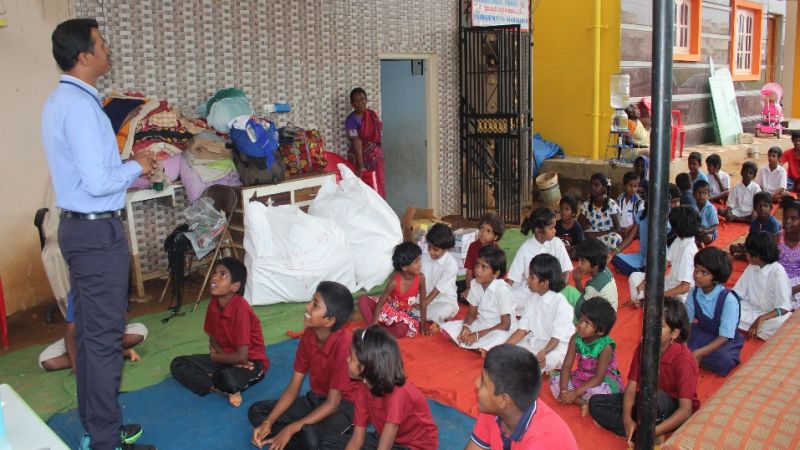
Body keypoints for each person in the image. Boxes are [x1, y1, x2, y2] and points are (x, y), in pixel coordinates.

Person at [41, 17, 157, 450]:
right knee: (106, 339)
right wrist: (137, 166)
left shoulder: (61, 101)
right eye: (102, 43)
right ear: (84, 55)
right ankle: (106, 440)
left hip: (80, 231)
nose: (108, 49)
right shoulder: (80, 107)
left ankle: (98, 425)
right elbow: (97, 180)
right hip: (94, 236)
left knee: (91, 337)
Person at [249, 281, 356, 450]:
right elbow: (293, 387)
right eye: (311, 301)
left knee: (311, 437)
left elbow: (333, 403)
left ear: (329, 321)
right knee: (258, 412)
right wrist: (269, 422)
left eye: (315, 305)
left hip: (344, 407)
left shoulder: (344, 345)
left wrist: (291, 428)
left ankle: (291, 438)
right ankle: (288, 439)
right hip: (317, 399)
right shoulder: (309, 336)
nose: (307, 307)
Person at [588, 297, 700, 446]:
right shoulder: (644, 347)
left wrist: (651, 432)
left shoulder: (684, 359)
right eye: (648, 321)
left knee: (656, 397)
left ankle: (650, 434)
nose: (650, 328)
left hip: (672, 408)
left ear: (674, 333)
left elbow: (686, 410)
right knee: (596, 403)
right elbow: (631, 388)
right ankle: (637, 432)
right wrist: (628, 420)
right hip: (646, 401)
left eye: (659, 325)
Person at [319, 326, 438, 450]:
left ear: (366, 366)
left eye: (352, 358)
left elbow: (384, 447)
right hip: (385, 439)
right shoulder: (364, 386)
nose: (347, 360)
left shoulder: (398, 394)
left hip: (413, 447)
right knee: (330, 443)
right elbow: (357, 439)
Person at [170, 258, 268, 407]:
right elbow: (212, 337)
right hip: (226, 358)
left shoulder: (240, 308)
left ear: (235, 286)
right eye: (215, 273)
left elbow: (242, 357)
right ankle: (218, 386)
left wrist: (218, 359)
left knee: (230, 379)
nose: (215, 277)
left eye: (223, 274)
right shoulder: (213, 304)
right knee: (178, 363)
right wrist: (222, 358)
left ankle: (219, 381)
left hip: (250, 362)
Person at [466, 345, 578, 450]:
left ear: (503, 400)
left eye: (483, 382)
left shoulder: (542, 441)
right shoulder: (493, 410)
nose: (476, 383)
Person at [550, 298, 622, 416]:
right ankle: (584, 403)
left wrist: (575, 392)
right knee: (555, 382)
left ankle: (582, 400)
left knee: (602, 393)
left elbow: (599, 377)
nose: (580, 325)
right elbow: (567, 366)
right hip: (582, 376)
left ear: (600, 331)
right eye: (581, 319)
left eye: (587, 323)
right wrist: (564, 391)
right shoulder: (576, 338)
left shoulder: (605, 347)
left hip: (601, 380)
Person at [503, 254, 575, 373]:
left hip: (557, 346)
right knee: (510, 351)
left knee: (543, 361)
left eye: (532, 277)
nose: (528, 280)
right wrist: (502, 348)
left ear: (544, 283)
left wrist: (543, 352)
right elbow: (522, 330)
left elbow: (555, 339)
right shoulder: (532, 298)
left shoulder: (560, 304)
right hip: (537, 341)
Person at [441, 246, 515, 351]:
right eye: (477, 265)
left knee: (500, 337)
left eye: (484, 267)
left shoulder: (502, 289)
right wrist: (465, 327)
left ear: (496, 273)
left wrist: (477, 335)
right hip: (482, 324)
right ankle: (478, 346)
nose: (478, 270)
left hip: (499, 329)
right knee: (450, 327)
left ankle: (478, 345)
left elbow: (506, 325)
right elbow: (471, 314)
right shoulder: (475, 284)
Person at [686, 247, 743, 376]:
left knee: (724, 359)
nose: (697, 275)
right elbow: (687, 323)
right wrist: (683, 344)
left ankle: (695, 356)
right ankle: (691, 355)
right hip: (700, 334)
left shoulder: (728, 299)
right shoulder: (693, 293)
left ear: (717, 277)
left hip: (722, 340)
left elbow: (724, 336)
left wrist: (700, 353)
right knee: (672, 343)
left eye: (704, 273)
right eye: (696, 269)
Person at [507, 207, 573, 316]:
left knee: (564, 299)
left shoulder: (557, 244)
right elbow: (512, 278)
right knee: (509, 299)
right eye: (551, 228)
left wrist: (558, 291)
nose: (555, 231)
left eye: (555, 227)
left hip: (552, 289)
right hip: (531, 290)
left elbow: (566, 272)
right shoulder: (526, 248)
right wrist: (501, 294)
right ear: (539, 231)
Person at [630, 206, 700, 305]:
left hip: (680, 294)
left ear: (678, 228)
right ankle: (643, 300)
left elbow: (685, 287)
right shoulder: (679, 240)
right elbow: (663, 265)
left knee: (677, 304)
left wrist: (660, 295)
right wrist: (644, 283)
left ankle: (645, 300)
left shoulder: (689, 251)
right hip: (668, 283)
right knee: (635, 276)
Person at [358, 242, 428, 338]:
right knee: (362, 300)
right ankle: (373, 329)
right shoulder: (394, 282)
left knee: (401, 331)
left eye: (420, 259)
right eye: (416, 262)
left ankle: (379, 332)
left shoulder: (421, 278)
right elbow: (381, 302)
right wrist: (373, 324)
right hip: (387, 309)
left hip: (402, 316)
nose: (420, 264)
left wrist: (423, 325)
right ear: (404, 267)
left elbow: (423, 302)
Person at [733, 232, 793, 340]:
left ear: (758, 256)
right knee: (729, 309)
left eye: (748, 252)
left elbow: (784, 308)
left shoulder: (777, 272)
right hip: (751, 309)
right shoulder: (752, 267)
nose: (745, 254)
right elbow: (738, 292)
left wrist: (762, 318)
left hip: (771, 315)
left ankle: (753, 327)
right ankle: (756, 329)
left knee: (783, 323)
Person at [345, 87, 385, 197]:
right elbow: (356, 140)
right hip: (360, 158)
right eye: (356, 100)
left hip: (376, 158)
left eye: (362, 99)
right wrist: (360, 165)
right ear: (352, 104)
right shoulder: (351, 120)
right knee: (364, 189)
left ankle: (381, 212)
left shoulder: (372, 114)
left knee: (378, 184)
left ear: (366, 100)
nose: (360, 102)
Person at [420, 223, 459, 329]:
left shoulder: (451, 264)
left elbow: (438, 289)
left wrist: (422, 305)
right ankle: (429, 318)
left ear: (446, 248)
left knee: (446, 309)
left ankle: (435, 321)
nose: (431, 252)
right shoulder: (424, 257)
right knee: (405, 305)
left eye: (435, 249)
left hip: (443, 300)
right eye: (429, 247)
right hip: (423, 299)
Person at [458, 213, 504, 301]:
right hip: (474, 281)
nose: (483, 233)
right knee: (455, 287)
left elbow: (496, 277)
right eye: (482, 229)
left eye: (488, 231)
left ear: (495, 236)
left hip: (488, 283)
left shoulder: (496, 251)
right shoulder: (473, 246)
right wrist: (469, 289)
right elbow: (469, 272)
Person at [573, 239, 618, 319]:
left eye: (582, 261)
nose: (578, 264)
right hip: (609, 311)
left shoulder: (592, 286)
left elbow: (580, 307)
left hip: (601, 320)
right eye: (578, 259)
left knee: (570, 296)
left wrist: (577, 282)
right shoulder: (604, 268)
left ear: (595, 265)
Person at [578, 173, 623, 250]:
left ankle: (596, 251)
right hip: (591, 234)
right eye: (591, 185)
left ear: (604, 188)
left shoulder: (611, 204)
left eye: (596, 185)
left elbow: (618, 229)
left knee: (615, 238)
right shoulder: (586, 205)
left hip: (606, 234)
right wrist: (584, 226)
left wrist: (596, 234)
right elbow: (578, 225)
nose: (593, 187)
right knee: (582, 236)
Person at [730, 192, 781, 259]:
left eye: (765, 206)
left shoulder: (773, 223)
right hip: (755, 247)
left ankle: (746, 255)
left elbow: (774, 245)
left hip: (768, 249)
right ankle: (747, 255)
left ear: (771, 207)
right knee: (733, 247)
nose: (762, 208)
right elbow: (750, 239)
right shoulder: (754, 222)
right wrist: (745, 247)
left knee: (763, 253)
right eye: (759, 206)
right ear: (755, 208)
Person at [778, 196, 800, 311]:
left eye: (793, 218)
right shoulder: (776, 238)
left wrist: (790, 290)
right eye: (785, 217)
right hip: (778, 280)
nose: (787, 222)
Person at [556, 195, 585, 260]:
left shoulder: (576, 227)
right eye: (561, 208)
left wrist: (570, 248)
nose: (563, 212)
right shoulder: (556, 225)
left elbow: (581, 243)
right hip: (558, 249)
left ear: (573, 213)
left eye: (567, 209)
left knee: (575, 253)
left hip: (570, 250)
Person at [616, 171, 643, 239]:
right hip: (619, 233)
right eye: (630, 186)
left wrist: (629, 229)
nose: (633, 189)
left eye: (635, 186)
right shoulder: (618, 201)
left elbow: (640, 222)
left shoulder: (639, 203)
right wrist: (619, 229)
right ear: (624, 185)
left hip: (633, 235)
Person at [693, 180, 718, 247]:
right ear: (694, 194)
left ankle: (698, 241)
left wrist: (706, 231)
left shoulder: (711, 208)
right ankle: (697, 241)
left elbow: (715, 226)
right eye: (698, 193)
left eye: (704, 193)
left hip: (708, 231)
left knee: (708, 238)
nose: (701, 196)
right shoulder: (692, 207)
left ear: (708, 195)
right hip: (696, 231)